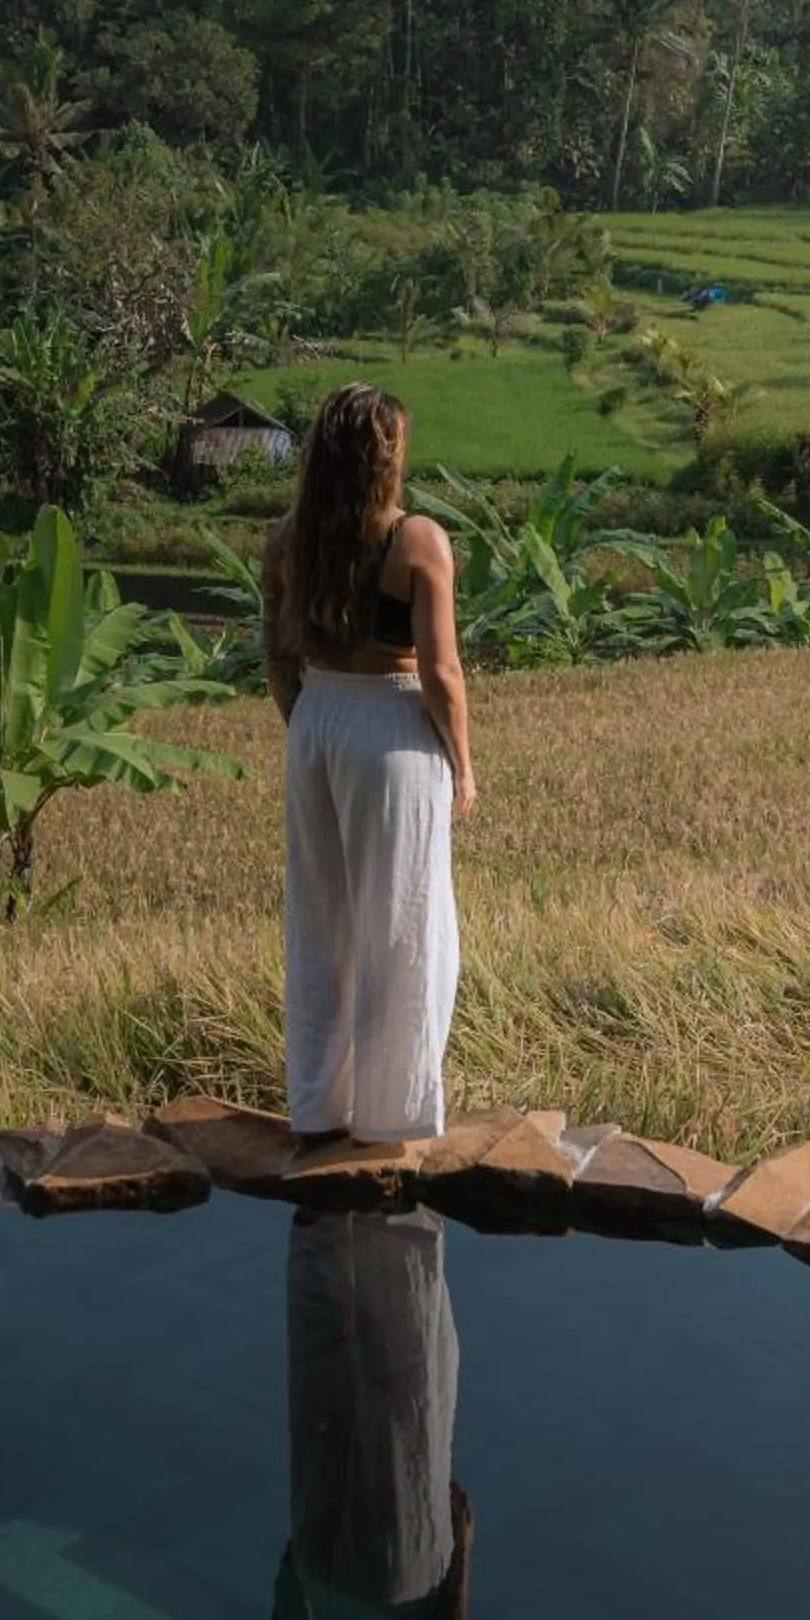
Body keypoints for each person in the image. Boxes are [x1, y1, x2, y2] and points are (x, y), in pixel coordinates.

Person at [262, 384, 472, 1144]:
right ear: (383, 458)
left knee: (322, 922)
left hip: (316, 721)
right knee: (407, 929)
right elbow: (442, 674)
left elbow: (277, 658)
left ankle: (319, 1109)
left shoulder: (287, 540)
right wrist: (464, 765)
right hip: (391, 722)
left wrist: (312, 724)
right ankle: (392, 1118)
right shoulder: (417, 541)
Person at [267, 1204, 472, 1620]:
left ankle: (398, 1224)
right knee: (332, 1404)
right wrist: (292, 1566)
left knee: (399, 1416)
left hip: (396, 1599)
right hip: (325, 1580)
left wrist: (462, 1552)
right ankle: (326, 1229)